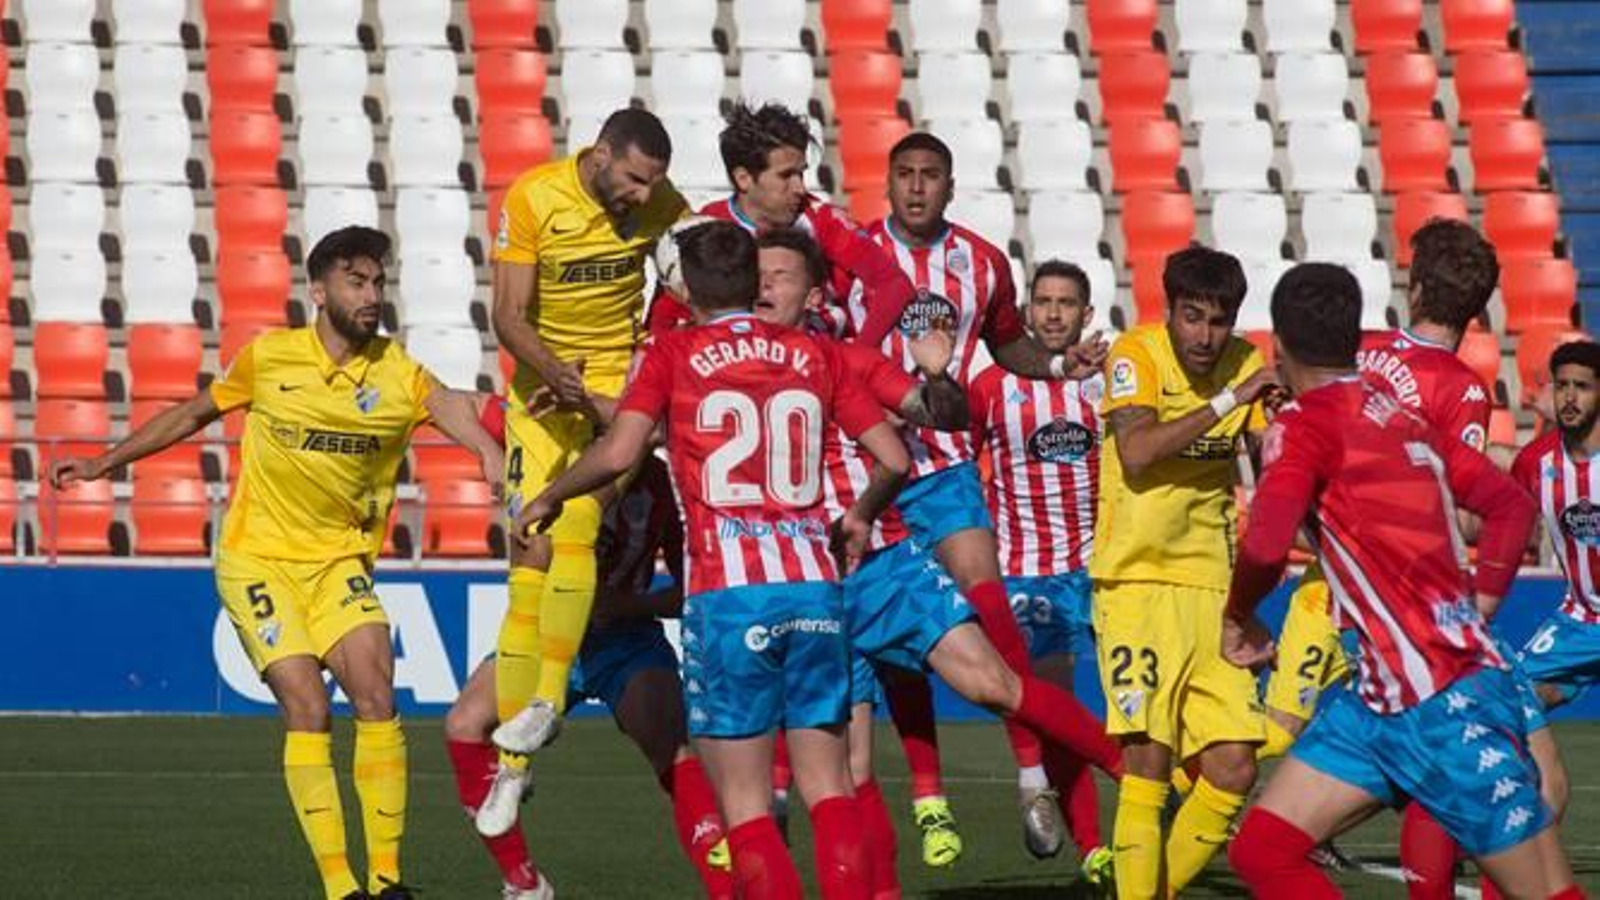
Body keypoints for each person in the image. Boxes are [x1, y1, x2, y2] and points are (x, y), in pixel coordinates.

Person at [50, 226, 504, 900]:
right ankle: (339, 887)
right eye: (356, 281)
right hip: (259, 561)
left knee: (378, 696)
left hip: (339, 563)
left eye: (378, 282)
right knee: (309, 705)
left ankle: (386, 883)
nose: (372, 295)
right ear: (319, 291)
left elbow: (446, 405)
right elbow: (192, 414)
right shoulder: (270, 358)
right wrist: (101, 462)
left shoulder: (395, 370)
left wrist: (486, 452)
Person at [514, 220, 912, 899]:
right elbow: (896, 458)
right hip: (814, 586)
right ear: (753, 281)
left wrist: (547, 498)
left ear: (685, 288)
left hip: (729, 596)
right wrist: (860, 515)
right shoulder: (816, 353)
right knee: (830, 785)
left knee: (747, 804)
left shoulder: (671, 354)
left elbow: (618, 454)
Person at [753, 228, 1127, 895]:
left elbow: (939, 416)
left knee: (995, 683)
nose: (763, 288)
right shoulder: (716, 362)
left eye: (778, 276)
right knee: (852, 770)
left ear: (814, 294)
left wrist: (934, 373)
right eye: (757, 276)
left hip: (882, 567)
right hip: (801, 580)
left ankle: (1135, 779)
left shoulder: (844, 358)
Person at [1223, 262, 1582, 900]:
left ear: (1277, 344)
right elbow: (1510, 506)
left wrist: (1236, 618)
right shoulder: (1398, 416)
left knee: (1547, 894)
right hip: (1380, 701)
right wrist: (1482, 606)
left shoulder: (1300, 427)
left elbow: (1265, 541)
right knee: (1263, 850)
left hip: (1444, 704)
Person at [852, 131, 1116, 862]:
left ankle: (1031, 773)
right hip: (868, 464)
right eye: (903, 173)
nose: (915, 187)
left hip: (942, 458)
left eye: (929, 175)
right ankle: (930, 798)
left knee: (987, 599)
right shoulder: (855, 253)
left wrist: (1059, 365)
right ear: (888, 181)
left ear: (949, 184)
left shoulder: (983, 263)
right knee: (900, 646)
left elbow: (1007, 347)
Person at [482, 107, 690, 833]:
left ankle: (543, 706)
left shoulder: (663, 204)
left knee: (577, 518)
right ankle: (511, 773)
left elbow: (686, 284)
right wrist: (556, 377)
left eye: (653, 186)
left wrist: (643, 362)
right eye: (634, 180)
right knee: (527, 559)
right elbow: (507, 316)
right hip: (543, 391)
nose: (643, 197)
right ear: (601, 156)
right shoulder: (535, 198)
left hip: (615, 386)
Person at [445, 399, 731, 900]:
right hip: (545, 635)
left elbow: (691, 590)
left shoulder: (660, 487)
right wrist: (489, 450)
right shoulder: (547, 457)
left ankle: (728, 888)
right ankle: (522, 882)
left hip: (625, 641)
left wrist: (628, 605)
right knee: (464, 725)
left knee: (672, 751)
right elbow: (458, 403)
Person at [1093, 245, 1278, 897]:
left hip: (1213, 591)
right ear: (1168, 309)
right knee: (1148, 762)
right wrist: (1232, 398)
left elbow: (1273, 464)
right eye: (1192, 317)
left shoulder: (1247, 363)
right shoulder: (1135, 355)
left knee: (1233, 768)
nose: (1205, 335)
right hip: (1135, 585)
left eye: (1219, 320)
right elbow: (1138, 453)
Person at [966, 260, 1115, 883]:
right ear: (1025, 313)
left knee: (1136, 713)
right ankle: (1089, 844)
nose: (1054, 313)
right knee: (1053, 705)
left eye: (1067, 303)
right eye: (1044, 302)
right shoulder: (992, 385)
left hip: (1106, 571)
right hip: (1029, 574)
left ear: (1088, 314)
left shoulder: (1110, 383)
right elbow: (955, 462)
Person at [646, 101, 914, 346]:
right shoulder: (710, 226)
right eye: (786, 175)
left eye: (801, 173)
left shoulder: (823, 220)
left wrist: (861, 354)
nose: (799, 188)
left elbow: (893, 284)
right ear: (744, 179)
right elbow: (667, 312)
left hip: (817, 364)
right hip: (733, 369)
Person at [1512, 340, 1600, 753]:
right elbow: (1504, 525)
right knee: (1508, 697)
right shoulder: (1534, 463)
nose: (1568, 396)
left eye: (1581, 386)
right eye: (1561, 385)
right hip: (1580, 619)